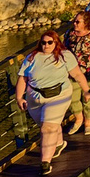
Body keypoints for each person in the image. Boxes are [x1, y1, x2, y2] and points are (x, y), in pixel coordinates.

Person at [20, 28, 74, 169]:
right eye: (43, 42)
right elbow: (22, 78)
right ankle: (59, 143)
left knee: (47, 127)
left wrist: (86, 90)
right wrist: (19, 98)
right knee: (48, 125)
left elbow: (77, 74)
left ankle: (45, 162)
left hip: (59, 94)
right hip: (35, 97)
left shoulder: (64, 55)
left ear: (56, 43)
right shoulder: (31, 57)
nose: (46, 45)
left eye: (50, 42)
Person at [64, 9, 90, 137]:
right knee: (72, 97)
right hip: (73, 72)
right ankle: (78, 119)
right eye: (74, 21)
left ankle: (89, 123)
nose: (75, 24)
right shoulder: (70, 34)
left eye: (78, 22)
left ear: (86, 23)